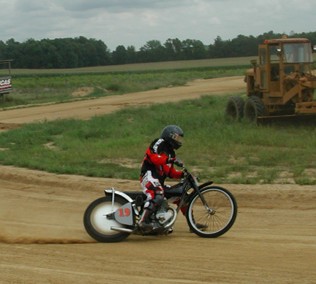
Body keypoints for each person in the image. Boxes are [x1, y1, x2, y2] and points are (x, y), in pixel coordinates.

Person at [138, 125, 184, 231]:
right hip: (148, 176)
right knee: (157, 193)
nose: (179, 141)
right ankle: (143, 221)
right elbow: (153, 158)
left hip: (158, 181)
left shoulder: (171, 153)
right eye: (177, 138)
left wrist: (182, 174)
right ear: (170, 136)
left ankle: (193, 223)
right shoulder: (158, 143)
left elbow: (170, 172)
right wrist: (170, 160)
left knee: (179, 194)